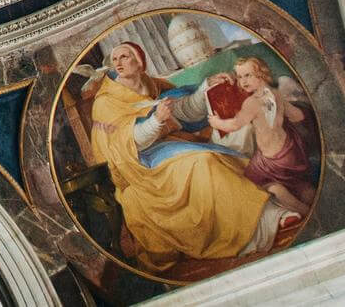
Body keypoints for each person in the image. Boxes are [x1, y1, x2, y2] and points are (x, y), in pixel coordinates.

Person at [83, 40, 294, 273]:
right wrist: (156, 121)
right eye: (115, 59)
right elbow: (128, 141)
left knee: (221, 156)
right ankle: (260, 226)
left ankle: (272, 211)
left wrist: (206, 88)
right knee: (203, 162)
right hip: (140, 163)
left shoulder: (152, 86)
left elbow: (184, 110)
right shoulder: (107, 101)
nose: (118, 63)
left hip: (170, 144)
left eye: (124, 57)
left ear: (139, 61)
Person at [207, 56, 317, 216]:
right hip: (292, 151)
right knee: (298, 184)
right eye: (239, 76)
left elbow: (235, 125)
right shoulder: (276, 94)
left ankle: (303, 210)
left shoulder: (252, 102)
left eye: (247, 75)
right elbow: (297, 116)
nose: (243, 81)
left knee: (259, 185)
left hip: (271, 161)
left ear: (261, 74)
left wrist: (216, 123)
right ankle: (317, 202)